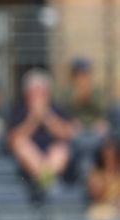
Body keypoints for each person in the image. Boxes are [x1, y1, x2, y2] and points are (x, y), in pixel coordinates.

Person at [7, 68, 75, 196]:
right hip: (30, 162)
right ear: (27, 94)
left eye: (42, 93)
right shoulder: (19, 110)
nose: (39, 97)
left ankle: (42, 183)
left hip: (51, 156)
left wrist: (46, 117)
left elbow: (67, 133)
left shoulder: (56, 109)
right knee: (22, 145)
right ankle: (47, 183)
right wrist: (33, 119)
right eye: (35, 93)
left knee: (60, 149)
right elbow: (12, 140)